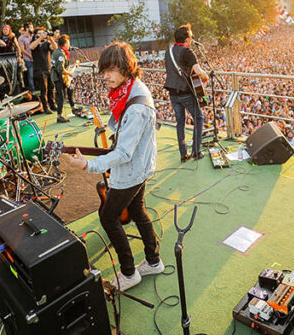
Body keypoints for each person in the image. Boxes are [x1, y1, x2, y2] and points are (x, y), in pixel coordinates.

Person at [59, 42, 162, 291]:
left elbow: (124, 153)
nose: (105, 76)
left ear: (126, 68)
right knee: (137, 210)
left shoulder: (137, 107)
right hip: (140, 165)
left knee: (108, 217)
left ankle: (129, 273)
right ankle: (154, 261)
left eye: (111, 70)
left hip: (132, 169)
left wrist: (88, 164)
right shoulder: (128, 89)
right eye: (103, 70)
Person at [163, 24, 209, 162]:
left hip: (173, 93)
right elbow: (199, 72)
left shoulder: (168, 52)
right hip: (185, 92)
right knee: (198, 118)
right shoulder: (188, 52)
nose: (192, 39)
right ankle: (196, 152)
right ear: (187, 39)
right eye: (191, 36)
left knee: (180, 123)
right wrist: (206, 77)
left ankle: (183, 154)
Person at [30, 27, 57, 114]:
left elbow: (55, 47)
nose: (42, 34)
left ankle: (53, 105)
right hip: (39, 70)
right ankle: (45, 107)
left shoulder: (46, 43)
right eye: (40, 33)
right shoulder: (34, 42)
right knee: (44, 89)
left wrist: (51, 39)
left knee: (51, 88)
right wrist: (40, 38)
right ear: (36, 34)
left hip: (48, 68)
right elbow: (31, 47)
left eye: (43, 33)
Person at [51, 34, 76, 123]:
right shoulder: (60, 53)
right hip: (58, 77)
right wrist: (69, 73)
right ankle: (59, 116)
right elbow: (60, 69)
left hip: (60, 77)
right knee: (61, 96)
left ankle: (73, 108)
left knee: (68, 92)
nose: (69, 45)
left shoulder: (58, 52)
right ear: (65, 44)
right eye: (68, 43)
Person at [18, 22, 35, 92]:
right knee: (30, 76)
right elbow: (22, 49)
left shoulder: (34, 36)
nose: (33, 29)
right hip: (28, 59)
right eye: (31, 27)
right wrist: (31, 56)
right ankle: (33, 91)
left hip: (37, 59)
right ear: (27, 29)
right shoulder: (21, 38)